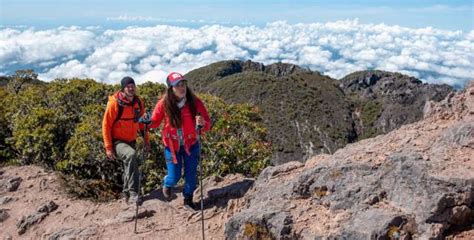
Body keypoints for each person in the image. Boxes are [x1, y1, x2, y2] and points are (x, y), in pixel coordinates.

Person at [149, 72, 211, 210]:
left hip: (191, 144)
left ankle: (188, 200)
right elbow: (154, 122)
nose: (182, 87)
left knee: (191, 176)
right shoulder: (164, 104)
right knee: (174, 176)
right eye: (178, 85)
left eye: (183, 84)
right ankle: (168, 183)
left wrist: (202, 124)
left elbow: (207, 124)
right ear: (171, 88)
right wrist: (146, 122)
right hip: (172, 147)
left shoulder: (195, 102)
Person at [102, 76, 150, 204]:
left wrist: (146, 140)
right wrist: (108, 147)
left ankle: (125, 193)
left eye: (132, 86)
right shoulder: (114, 104)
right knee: (131, 155)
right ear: (123, 89)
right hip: (117, 141)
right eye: (128, 86)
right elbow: (106, 125)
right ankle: (134, 192)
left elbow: (141, 123)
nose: (131, 88)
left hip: (131, 140)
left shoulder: (138, 102)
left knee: (129, 163)